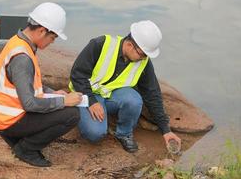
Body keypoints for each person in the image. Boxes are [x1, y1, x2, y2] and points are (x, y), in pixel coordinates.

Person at [0, 2, 83, 167]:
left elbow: (28, 83)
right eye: (52, 38)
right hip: (9, 121)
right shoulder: (23, 58)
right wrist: (64, 101)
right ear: (41, 31)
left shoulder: (18, 41)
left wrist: (53, 92)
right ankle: (26, 149)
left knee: (63, 106)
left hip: (4, 116)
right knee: (72, 114)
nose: (52, 42)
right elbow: (30, 104)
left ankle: (16, 137)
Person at [69, 20, 181, 153]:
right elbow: (77, 74)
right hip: (86, 95)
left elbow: (152, 94)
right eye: (142, 54)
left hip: (111, 96)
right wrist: (92, 102)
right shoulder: (100, 44)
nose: (143, 58)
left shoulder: (143, 61)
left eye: (146, 55)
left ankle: (123, 133)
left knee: (134, 100)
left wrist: (166, 130)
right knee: (95, 134)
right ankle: (78, 112)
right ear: (129, 45)